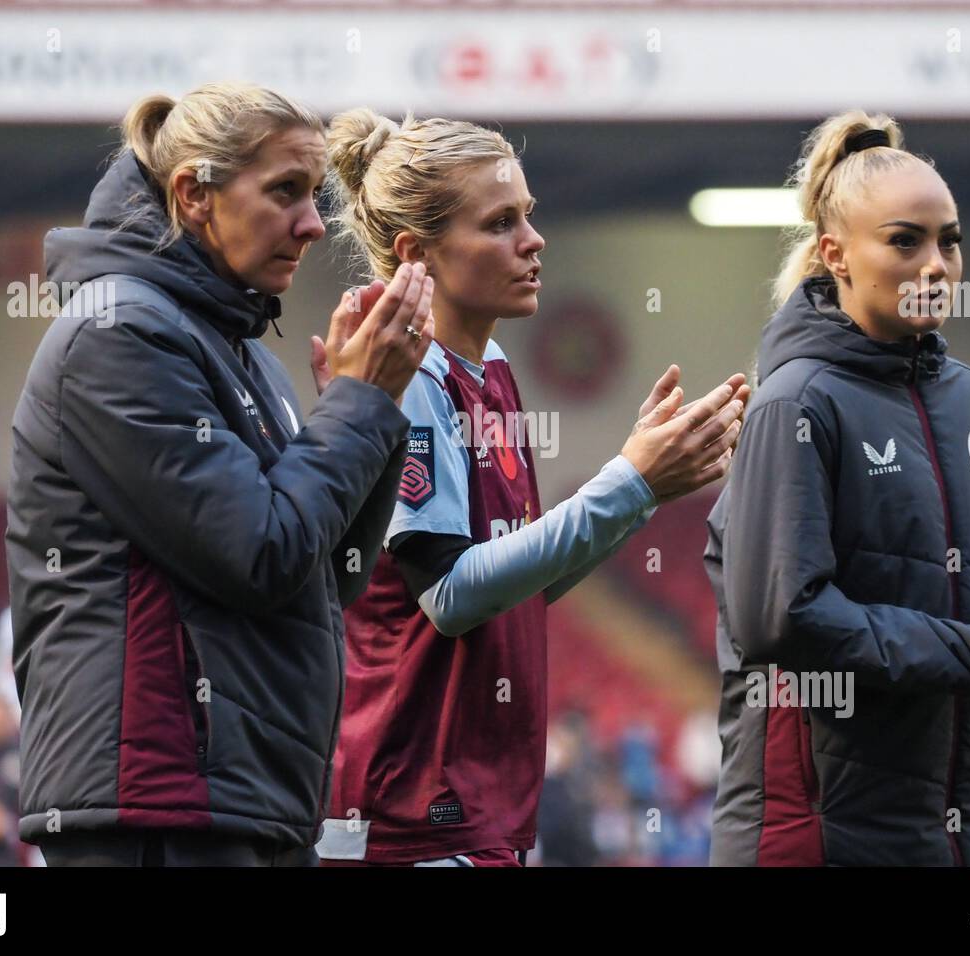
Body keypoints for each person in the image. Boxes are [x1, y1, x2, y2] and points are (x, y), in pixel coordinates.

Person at [6, 83, 433, 867]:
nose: (313, 224)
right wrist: (359, 406)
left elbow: (322, 577)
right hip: (158, 806)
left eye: (315, 195)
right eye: (285, 192)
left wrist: (364, 411)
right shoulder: (119, 334)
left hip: (237, 800)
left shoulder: (239, 352)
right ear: (195, 195)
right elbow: (259, 554)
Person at [315, 109, 748, 866]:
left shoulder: (493, 371)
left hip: (481, 807)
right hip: (413, 810)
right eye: (501, 222)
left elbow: (519, 585)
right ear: (418, 253)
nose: (533, 240)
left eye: (529, 216)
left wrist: (642, 490)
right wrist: (629, 482)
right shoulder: (413, 376)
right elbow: (449, 596)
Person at [705, 110, 970, 866]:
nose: (937, 265)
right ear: (835, 255)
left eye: (949, 240)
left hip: (969, 826)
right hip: (822, 832)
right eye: (904, 241)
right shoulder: (796, 402)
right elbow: (786, 620)